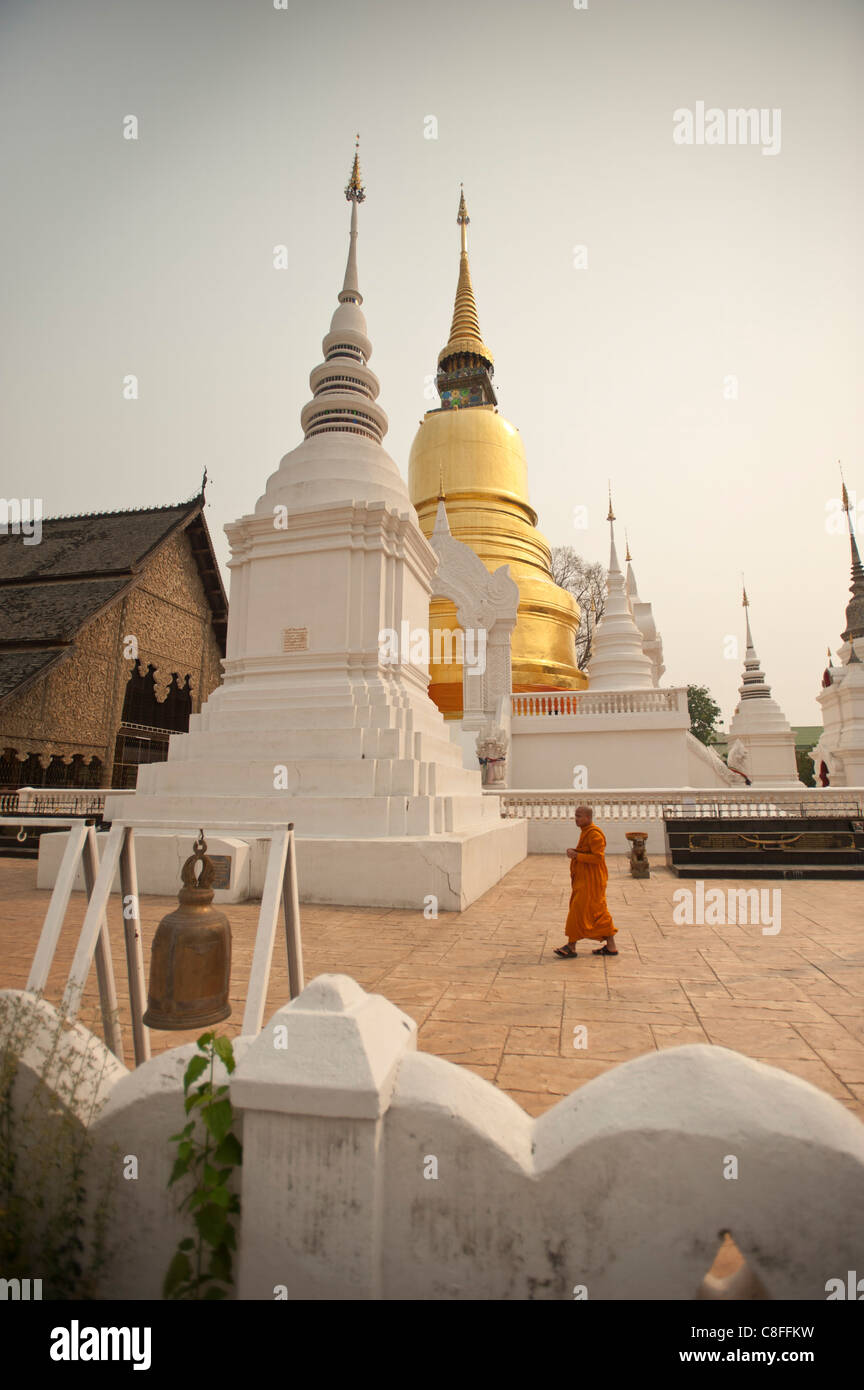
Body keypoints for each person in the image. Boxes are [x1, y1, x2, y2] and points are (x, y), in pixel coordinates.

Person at [554, 804, 618, 958]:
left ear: (588, 818)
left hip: (592, 880)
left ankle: (571, 946)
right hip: (586, 879)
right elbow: (588, 852)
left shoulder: (595, 834)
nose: (575, 819)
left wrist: (577, 856)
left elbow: (597, 858)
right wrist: (576, 852)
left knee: (578, 910)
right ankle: (611, 946)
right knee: (598, 912)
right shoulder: (586, 832)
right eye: (575, 816)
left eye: (579, 816)